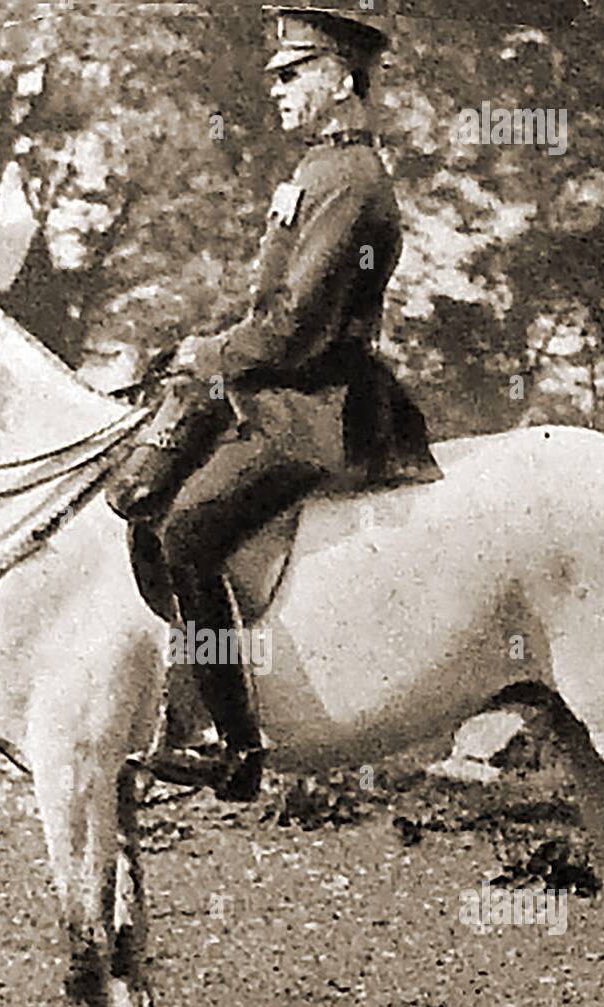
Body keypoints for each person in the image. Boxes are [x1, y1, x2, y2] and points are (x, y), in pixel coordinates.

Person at [108, 6, 442, 801]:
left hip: (315, 409)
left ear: (339, 80)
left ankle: (237, 746)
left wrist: (207, 356)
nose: (278, 93)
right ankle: (170, 711)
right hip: (275, 392)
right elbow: (271, 310)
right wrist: (203, 354)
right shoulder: (319, 171)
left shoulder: (352, 181)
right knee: (143, 486)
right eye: (276, 78)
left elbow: (295, 329)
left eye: (292, 76)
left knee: (189, 529)